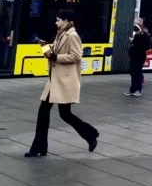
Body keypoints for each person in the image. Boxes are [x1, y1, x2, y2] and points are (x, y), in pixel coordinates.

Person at [25, 10, 99, 157]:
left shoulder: (72, 35)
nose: (56, 22)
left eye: (58, 20)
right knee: (55, 113)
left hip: (64, 80)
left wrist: (55, 56)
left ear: (67, 21)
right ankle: (89, 134)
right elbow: (53, 54)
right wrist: (45, 47)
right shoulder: (61, 34)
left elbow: (76, 56)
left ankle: (90, 134)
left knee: (62, 114)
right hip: (56, 80)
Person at [126, 18, 152, 96]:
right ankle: (132, 90)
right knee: (133, 73)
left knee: (137, 73)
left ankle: (138, 90)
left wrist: (134, 41)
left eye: (136, 24)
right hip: (134, 56)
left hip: (139, 56)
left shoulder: (144, 35)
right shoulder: (138, 35)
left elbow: (145, 46)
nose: (135, 26)